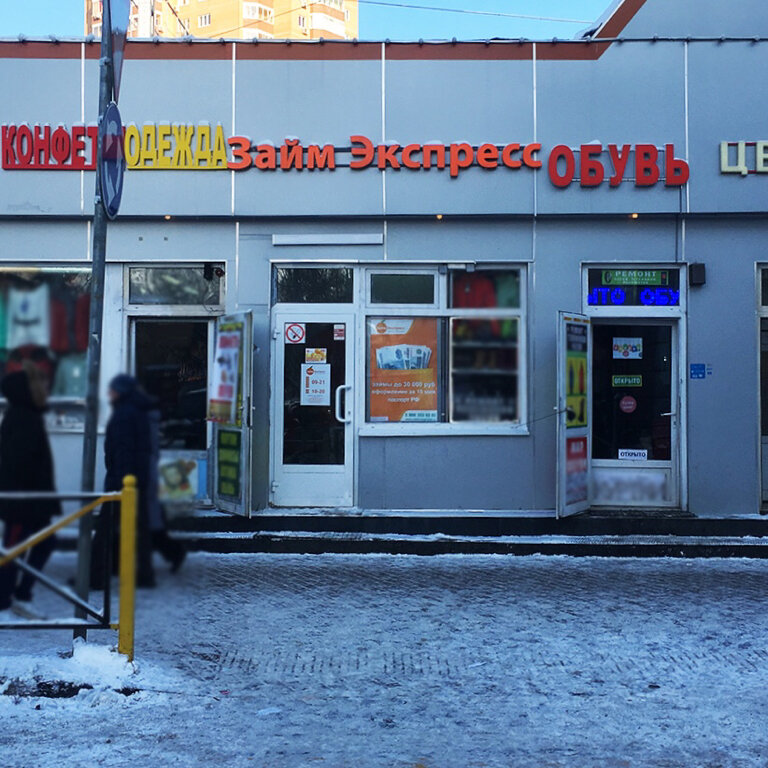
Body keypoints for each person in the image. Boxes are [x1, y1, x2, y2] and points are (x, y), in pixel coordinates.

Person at [91, 374, 184, 589]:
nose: (109, 393)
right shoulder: (136, 411)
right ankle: (143, 574)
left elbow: (123, 452)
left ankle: (95, 576)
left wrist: (118, 482)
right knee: (140, 529)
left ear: (121, 391)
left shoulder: (125, 414)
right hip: (135, 480)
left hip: (123, 482)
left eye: (112, 390)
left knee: (106, 531)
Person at [0, 361, 60, 618]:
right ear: (32, 388)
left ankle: (19, 595)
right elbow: (19, 463)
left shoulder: (26, 415)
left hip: (32, 499)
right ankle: (5, 601)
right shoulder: (23, 417)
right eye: (44, 385)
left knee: (41, 543)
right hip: (23, 500)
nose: (47, 390)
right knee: (14, 548)